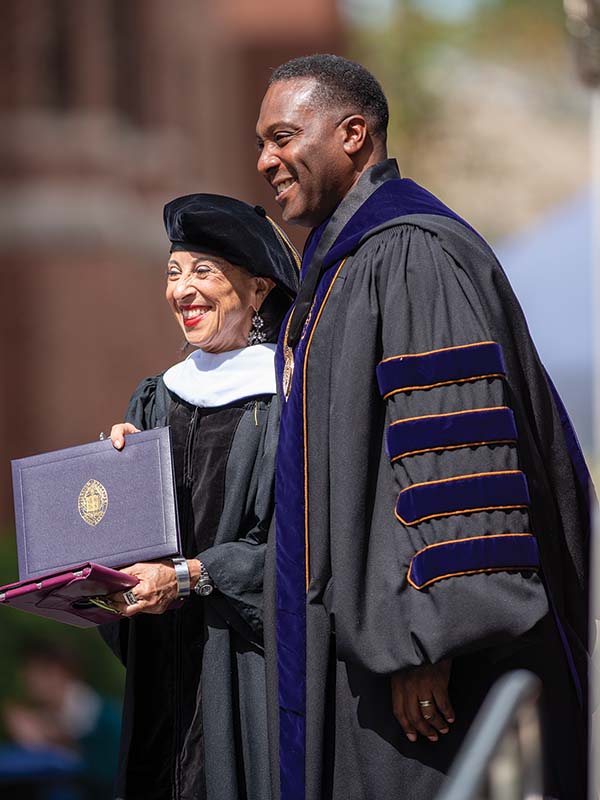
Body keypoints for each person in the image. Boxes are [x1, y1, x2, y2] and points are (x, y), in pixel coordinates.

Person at [255, 54, 591, 799]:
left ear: (352, 134)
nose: (265, 160)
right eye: (262, 142)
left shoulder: (409, 253)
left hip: (421, 680)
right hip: (373, 651)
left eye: (283, 137)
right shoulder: (346, 266)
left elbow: (450, 448)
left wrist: (428, 640)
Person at [99, 194, 299, 800]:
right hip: (164, 678)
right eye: (173, 273)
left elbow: (302, 546)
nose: (181, 289)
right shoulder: (156, 399)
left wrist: (191, 577)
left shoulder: (288, 396)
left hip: (243, 673)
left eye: (203, 272)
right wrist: (115, 486)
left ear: (259, 290)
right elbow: (128, 559)